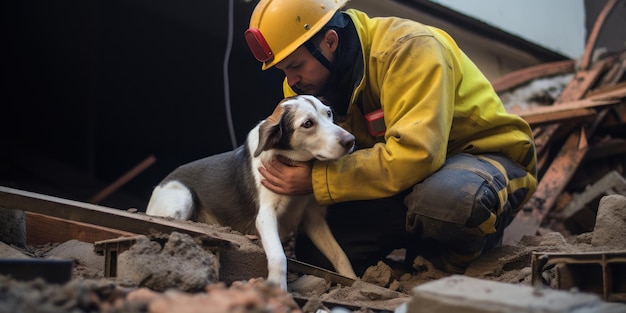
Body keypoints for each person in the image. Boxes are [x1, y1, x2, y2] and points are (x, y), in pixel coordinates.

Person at [244, 0, 538, 276]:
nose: (291, 81)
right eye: (283, 71)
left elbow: (419, 154)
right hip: (401, 181)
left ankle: (457, 265)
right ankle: (420, 242)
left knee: (450, 202)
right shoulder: (303, 88)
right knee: (318, 257)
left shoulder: (410, 48)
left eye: (295, 66)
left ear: (330, 41)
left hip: (482, 160)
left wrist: (317, 180)